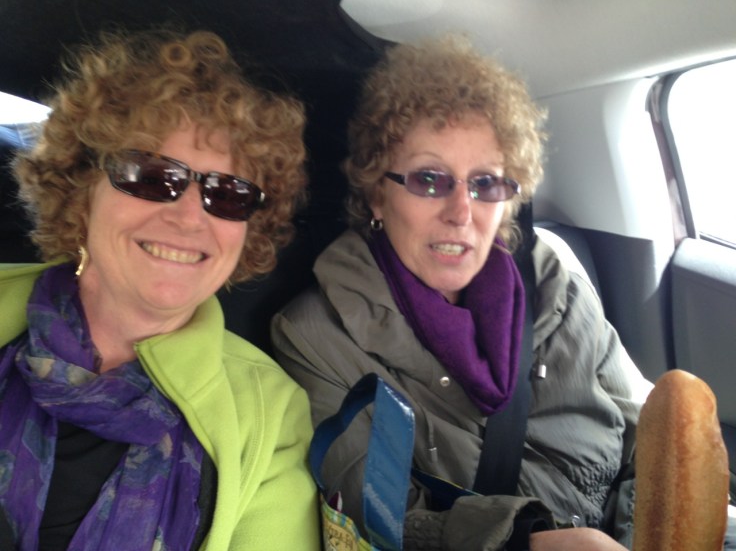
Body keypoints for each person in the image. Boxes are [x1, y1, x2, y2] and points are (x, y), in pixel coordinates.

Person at [270, 35, 654, 550]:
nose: (461, 212)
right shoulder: (315, 335)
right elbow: (378, 522)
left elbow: (647, 440)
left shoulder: (556, 287)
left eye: (486, 183)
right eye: (429, 180)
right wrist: (528, 543)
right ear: (377, 193)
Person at [0, 29, 320, 550]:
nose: (190, 217)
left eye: (228, 193)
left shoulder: (271, 412)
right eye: (151, 174)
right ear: (81, 187)